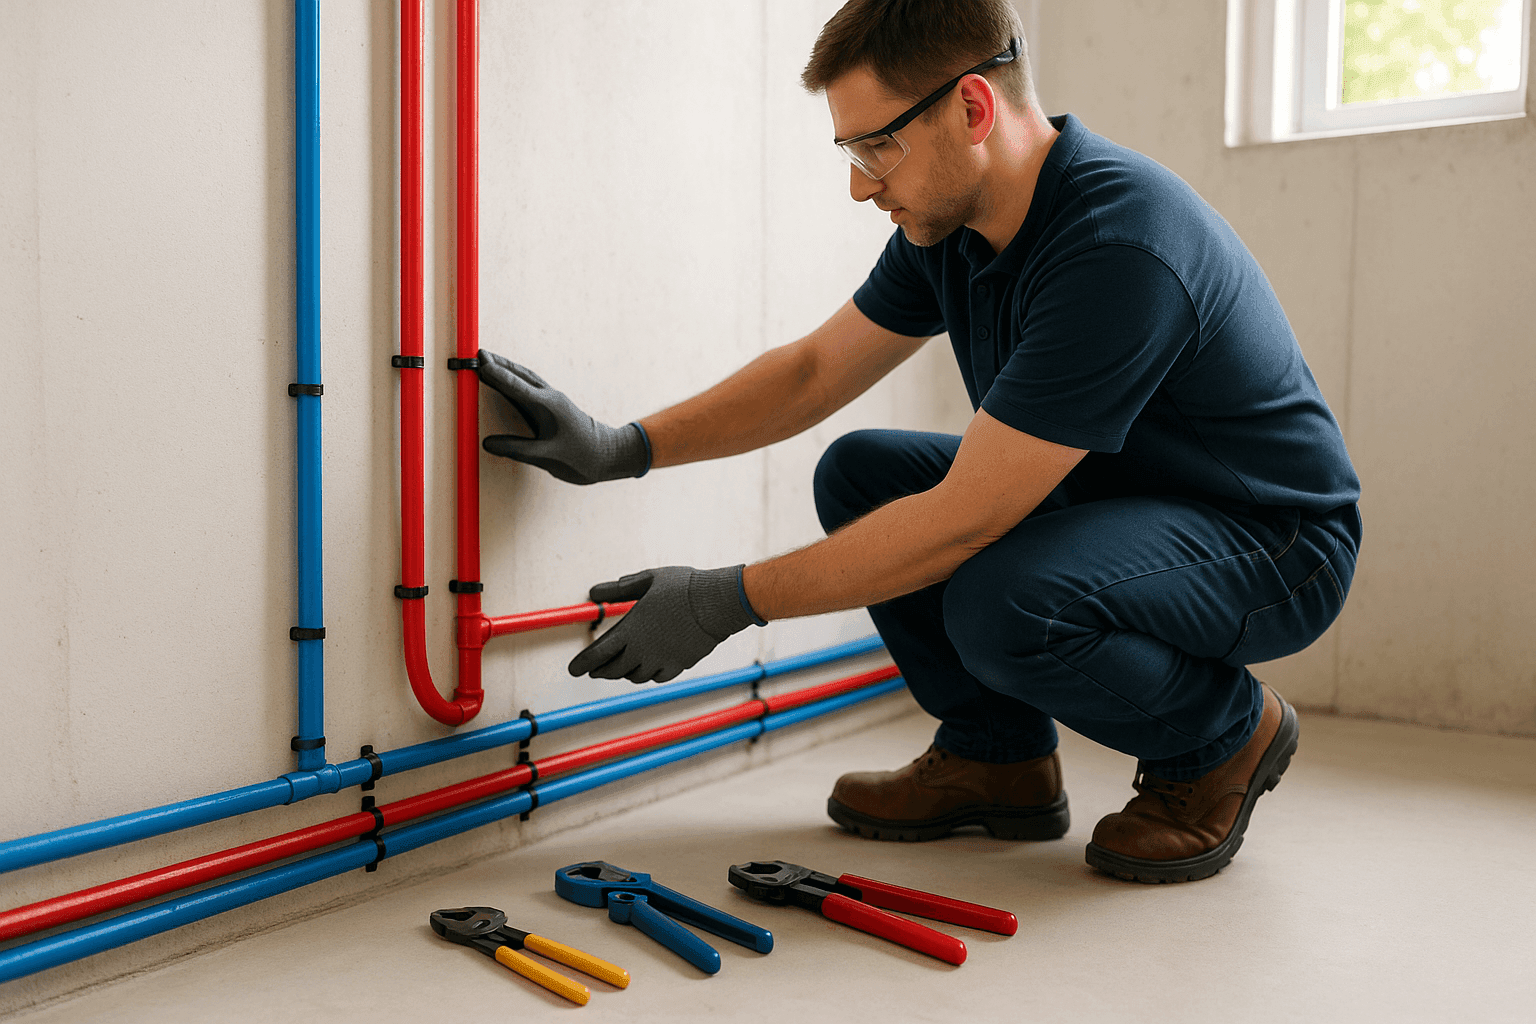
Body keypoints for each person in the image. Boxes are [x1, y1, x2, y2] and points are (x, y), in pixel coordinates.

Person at [475, 0, 1361, 884]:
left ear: (973, 109)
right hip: (1119, 501)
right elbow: (816, 370)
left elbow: (960, 524)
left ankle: (1220, 738)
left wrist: (729, 599)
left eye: (875, 147)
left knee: (1003, 599)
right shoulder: (957, 223)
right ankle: (996, 758)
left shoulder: (1117, 246)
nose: (862, 184)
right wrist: (622, 445)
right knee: (865, 473)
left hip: (1270, 540)